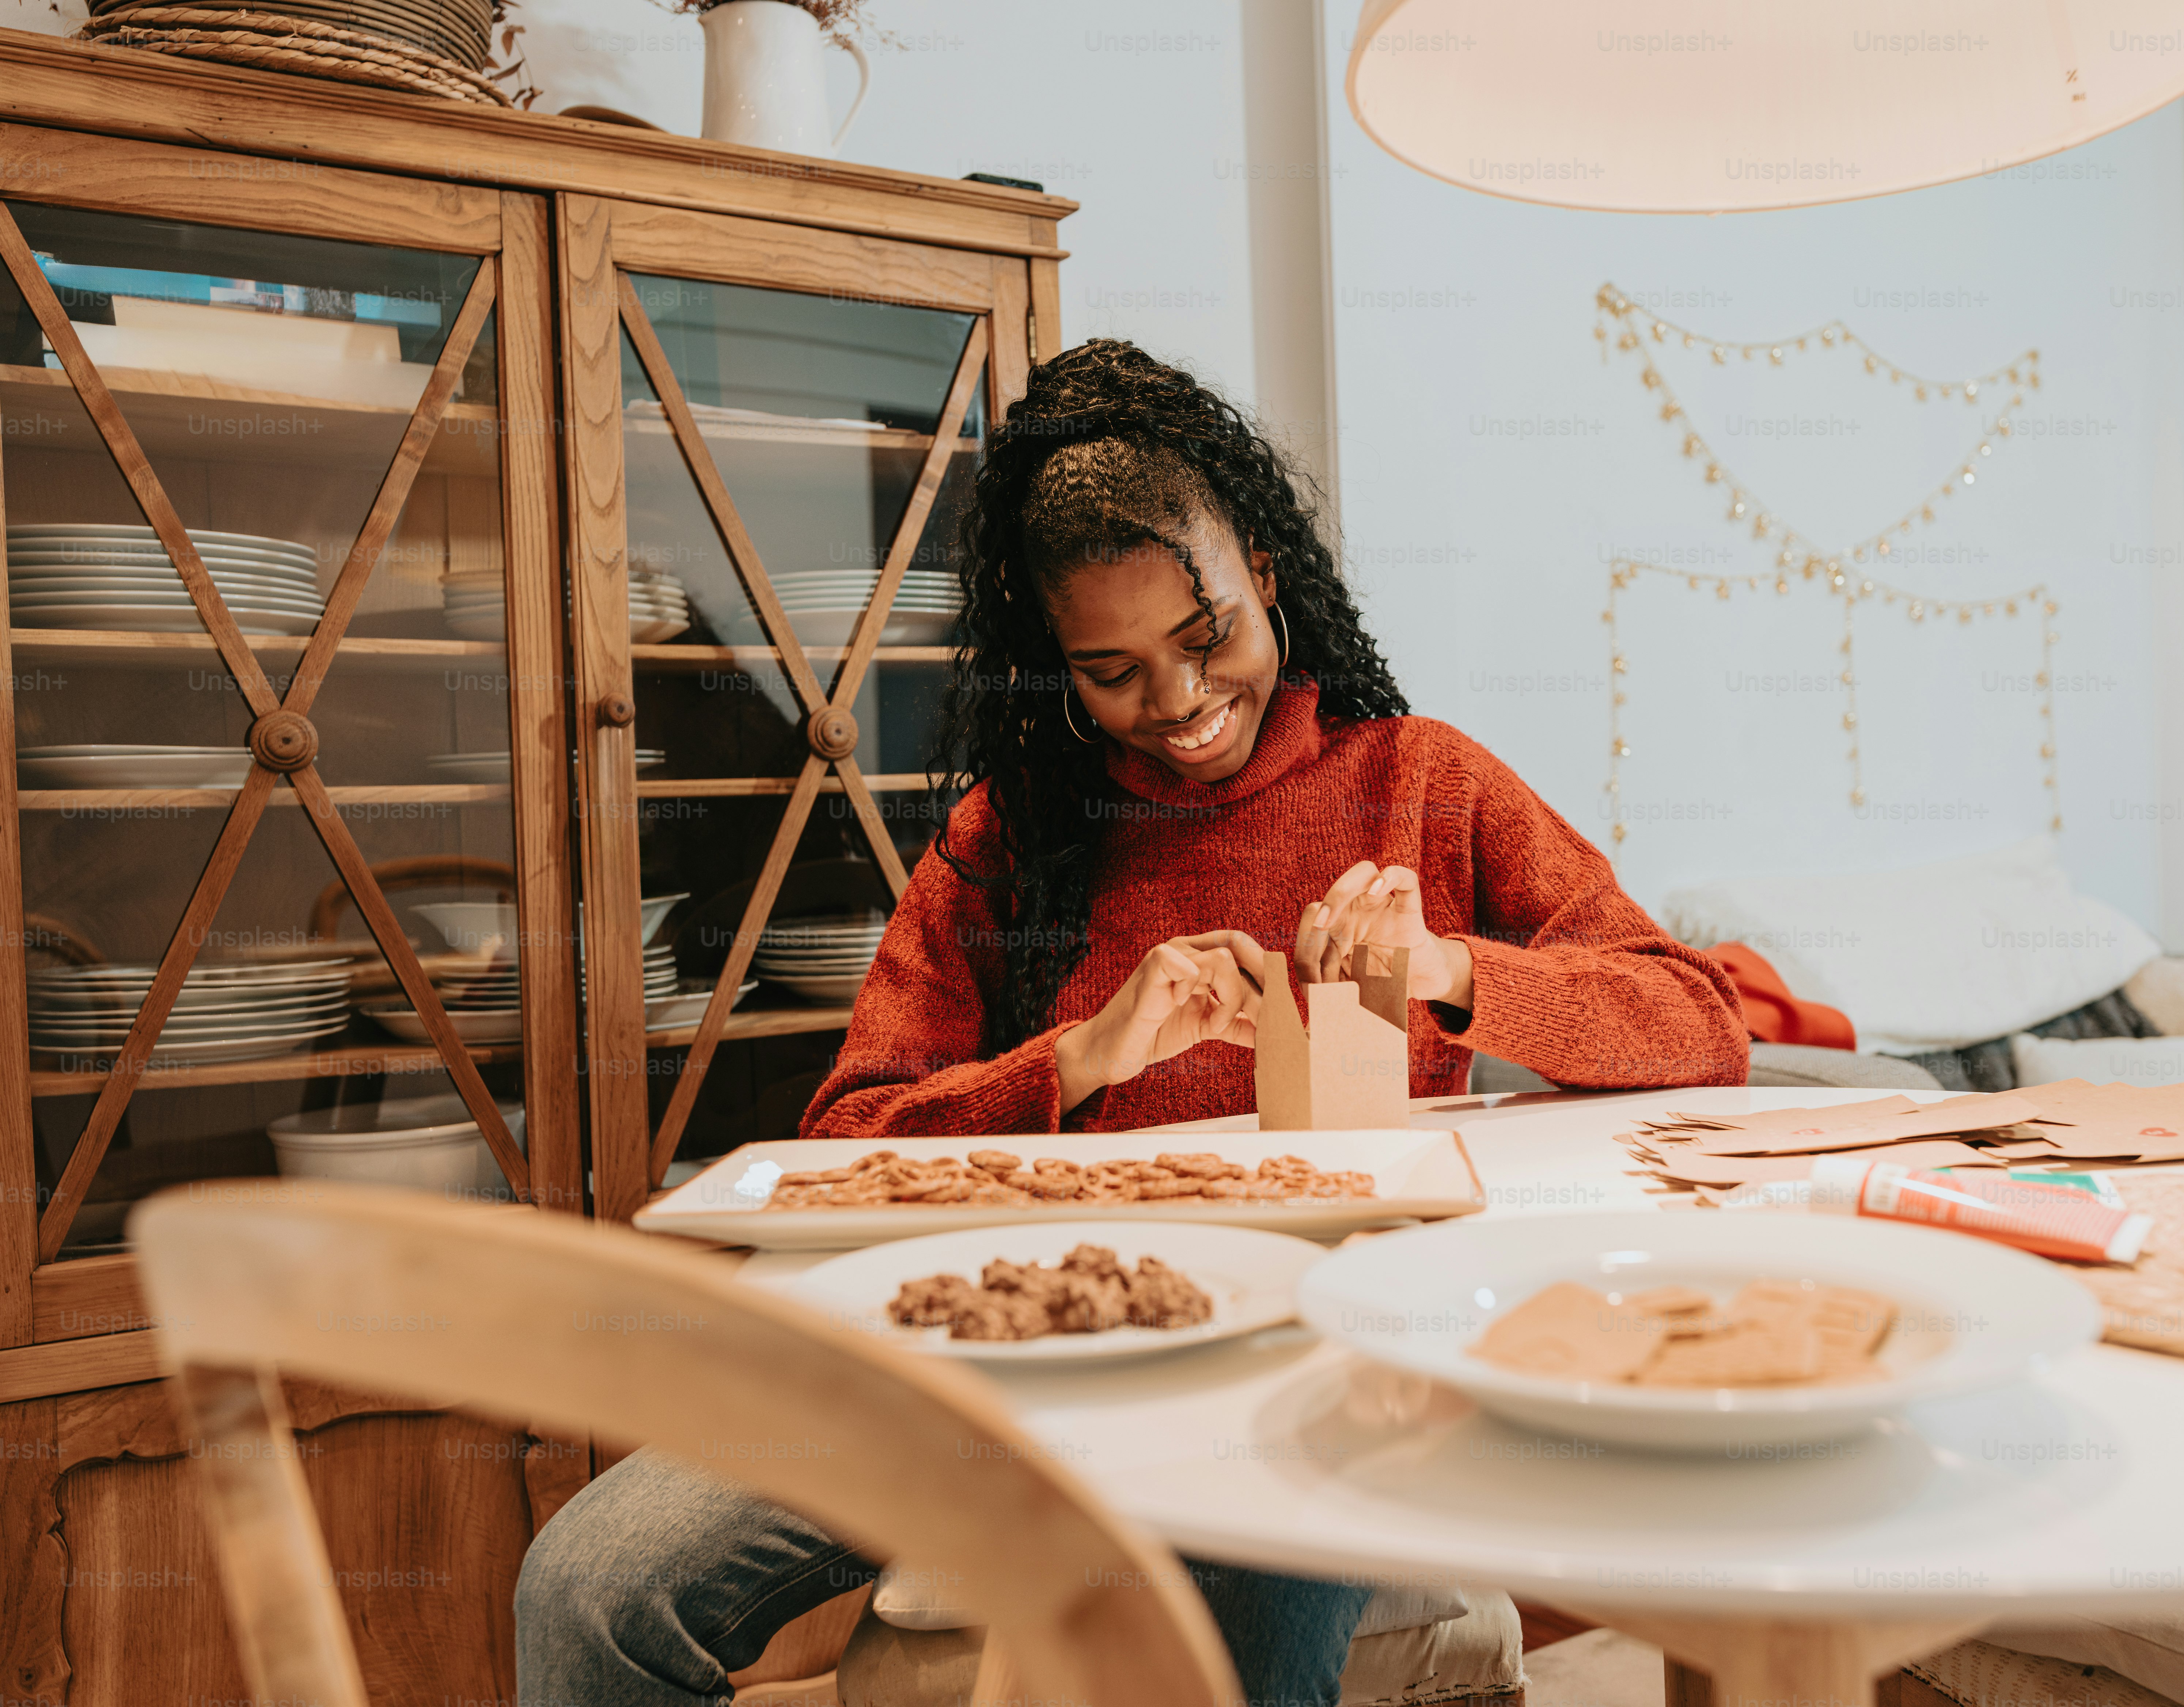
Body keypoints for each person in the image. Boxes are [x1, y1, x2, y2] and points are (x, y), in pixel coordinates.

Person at [515, 341, 1750, 1707]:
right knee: (585, 1592)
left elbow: (1697, 1018)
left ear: (1265, 576)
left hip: (1302, 1358)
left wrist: (1456, 970)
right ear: (1058, 665)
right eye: (1110, 670)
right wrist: (1084, 1057)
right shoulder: (1012, 834)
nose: (1175, 706)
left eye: (1203, 635)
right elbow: (847, 1135)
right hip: (1003, 1348)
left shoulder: (1421, 781)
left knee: (1213, 1638)